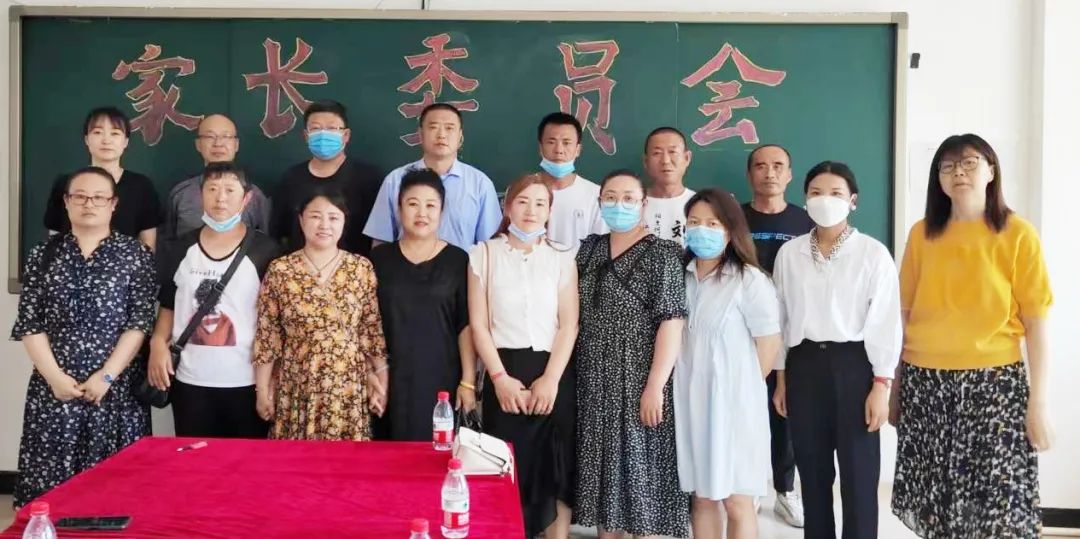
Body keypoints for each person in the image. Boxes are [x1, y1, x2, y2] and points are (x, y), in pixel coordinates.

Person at [890, 134, 1053, 538]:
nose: (958, 173)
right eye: (947, 166)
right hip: (926, 384)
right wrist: (895, 388)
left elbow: (1037, 324)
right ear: (939, 180)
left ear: (991, 171)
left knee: (997, 504)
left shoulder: (1017, 234)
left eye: (969, 163)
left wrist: (1038, 403)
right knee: (938, 504)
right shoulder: (922, 234)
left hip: (995, 384)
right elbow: (903, 318)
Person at [11, 167, 156, 507]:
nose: (89, 204)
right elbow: (30, 323)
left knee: (115, 492)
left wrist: (106, 376)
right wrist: (55, 378)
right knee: (51, 492)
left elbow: (139, 323)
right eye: (80, 196)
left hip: (115, 389)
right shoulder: (43, 255)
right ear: (66, 202)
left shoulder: (135, 255)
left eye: (98, 197)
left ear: (113, 204)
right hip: (55, 387)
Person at [772, 161, 901, 539]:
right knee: (812, 473)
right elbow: (780, 318)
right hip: (804, 365)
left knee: (859, 474)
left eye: (835, 193)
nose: (825, 200)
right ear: (805, 199)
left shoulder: (872, 253)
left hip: (855, 366)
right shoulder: (790, 254)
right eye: (816, 193)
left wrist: (881, 385)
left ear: (853, 201)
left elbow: (886, 323)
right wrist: (781, 378)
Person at [573, 170, 689, 538]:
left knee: (640, 473)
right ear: (599, 202)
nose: (618, 205)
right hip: (593, 375)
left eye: (628, 198)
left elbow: (672, 321)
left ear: (643, 204)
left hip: (639, 375)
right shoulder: (589, 249)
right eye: (610, 197)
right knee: (604, 473)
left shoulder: (663, 253)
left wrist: (655, 386)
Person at [468, 174, 579, 538]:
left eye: (540, 204)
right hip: (505, 372)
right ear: (507, 206)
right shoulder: (483, 254)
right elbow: (479, 325)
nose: (531, 211)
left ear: (549, 211)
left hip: (553, 372)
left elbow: (568, 325)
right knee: (508, 470)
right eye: (523, 201)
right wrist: (499, 379)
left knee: (556, 472)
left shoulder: (562, 257)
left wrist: (551, 379)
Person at [676, 188, 783, 539]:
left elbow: (768, 344)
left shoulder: (749, 280)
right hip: (690, 403)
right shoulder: (679, 276)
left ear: (730, 229)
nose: (701, 230)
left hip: (736, 407)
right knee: (702, 497)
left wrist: (741, 391)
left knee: (737, 501)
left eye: (712, 223)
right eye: (694, 222)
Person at [148, 161, 280, 439]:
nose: (221, 198)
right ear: (201, 195)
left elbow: (275, 320)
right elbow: (169, 303)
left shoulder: (266, 251)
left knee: (245, 461)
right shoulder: (180, 248)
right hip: (190, 380)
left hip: (246, 381)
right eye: (212, 189)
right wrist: (158, 343)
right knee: (194, 458)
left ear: (247, 198)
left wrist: (270, 381)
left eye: (230, 190)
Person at [254, 188, 389, 441]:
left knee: (345, 460)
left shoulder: (360, 268)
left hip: (347, 383)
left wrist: (382, 382)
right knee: (297, 459)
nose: (324, 225)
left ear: (344, 222)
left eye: (333, 217)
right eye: (315, 216)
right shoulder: (281, 270)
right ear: (301, 220)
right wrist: (262, 391)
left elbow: (371, 330)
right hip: (296, 380)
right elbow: (268, 335)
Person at [369, 169, 476, 441]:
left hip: (441, 376)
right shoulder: (378, 260)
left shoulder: (457, 260)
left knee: (437, 452)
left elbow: (465, 325)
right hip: (388, 378)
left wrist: (468, 381)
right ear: (399, 208)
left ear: (442, 210)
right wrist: (372, 372)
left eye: (431, 205)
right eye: (413, 204)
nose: (422, 213)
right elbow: (366, 324)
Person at [741, 143, 811, 527]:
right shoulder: (733, 218)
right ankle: (749, 487)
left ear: (789, 174)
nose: (769, 173)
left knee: (785, 414)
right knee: (745, 412)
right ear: (749, 173)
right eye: (761, 166)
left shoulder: (806, 221)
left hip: (790, 335)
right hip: (741, 335)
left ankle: (785, 491)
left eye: (778, 166)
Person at [363, 103, 501, 250]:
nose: (441, 135)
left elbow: (491, 247)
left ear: (460, 136)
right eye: (433, 127)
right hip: (404, 264)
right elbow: (380, 241)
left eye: (449, 128)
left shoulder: (480, 184)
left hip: (464, 265)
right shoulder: (395, 180)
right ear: (420, 134)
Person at [270, 99, 383, 256]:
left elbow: (379, 235)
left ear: (346, 135)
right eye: (316, 128)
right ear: (306, 135)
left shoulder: (370, 179)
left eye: (331, 128)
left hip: (355, 268)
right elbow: (277, 233)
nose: (323, 134)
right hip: (300, 268)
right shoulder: (290, 179)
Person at [44, 106, 162, 250]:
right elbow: (54, 237)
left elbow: (148, 244)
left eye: (115, 133)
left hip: (126, 263)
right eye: (98, 132)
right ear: (86, 139)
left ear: (125, 142)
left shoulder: (142, 186)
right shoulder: (65, 183)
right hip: (71, 263)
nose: (106, 140)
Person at [160, 114, 271, 240]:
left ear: (236, 144)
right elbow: (168, 242)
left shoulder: (254, 196)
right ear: (198, 144)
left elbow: (265, 242)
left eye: (226, 136)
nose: (218, 143)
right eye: (210, 137)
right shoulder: (181, 193)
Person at [535, 112, 607, 249]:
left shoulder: (595, 195)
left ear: (578, 150)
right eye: (551, 142)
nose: (559, 150)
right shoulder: (522, 191)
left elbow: (600, 248)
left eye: (566, 143)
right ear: (540, 148)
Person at [643, 127, 696, 245]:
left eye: (672, 152)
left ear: (687, 158)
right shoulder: (631, 206)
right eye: (657, 153)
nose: (665, 160)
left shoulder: (700, 205)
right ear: (646, 161)